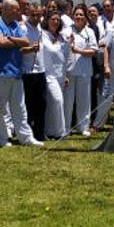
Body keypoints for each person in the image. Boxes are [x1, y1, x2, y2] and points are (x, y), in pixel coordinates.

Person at [0, 0, 44, 148]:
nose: (19, 12)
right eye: (16, 9)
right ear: (6, 9)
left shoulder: (15, 25)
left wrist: (11, 39)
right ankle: (2, 137)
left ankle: (25, 137)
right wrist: (16, 42)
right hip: (0, 71)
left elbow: (25, 42)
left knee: (19, 106)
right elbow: (0, 42)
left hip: (16, 71)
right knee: (0, 107)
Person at [65, 4, 98, 137]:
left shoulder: (89, 32)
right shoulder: (67, 30)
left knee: (84, 100)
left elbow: (94, 51)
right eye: (76, 14)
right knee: (68, 100)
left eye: (81, 15)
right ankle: (66, 127)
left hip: (84, 71)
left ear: (85, 17)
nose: (78, 17)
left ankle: (83, 126)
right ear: (73, 16)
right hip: (69, 70)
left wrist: (79, 51)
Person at [41, 11, 71, 139]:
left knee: (53, 104)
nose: (55, 22)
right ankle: (60, 132)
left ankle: (49, 131)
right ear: (47, 20)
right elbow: (50, 50)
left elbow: (65, 56)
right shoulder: (42, 34)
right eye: (53, 19)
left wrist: (65, 75)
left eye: (58, 20)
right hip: (48, 74)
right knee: (58, 100)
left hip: (60, 74)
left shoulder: (62, 37)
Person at [21, 1, 47, 141]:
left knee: (41, 104)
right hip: (28, 72)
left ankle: (40, 133)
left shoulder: (40, 29)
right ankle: (28, 133)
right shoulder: (23, 29)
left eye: (39, 15)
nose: (36, 18)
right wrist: (30, 49)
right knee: (28, 105)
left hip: (41, 70)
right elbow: (17, 49)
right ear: (28, 14)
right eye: (33, 15)